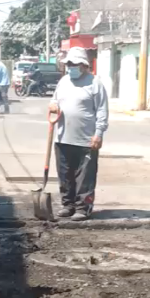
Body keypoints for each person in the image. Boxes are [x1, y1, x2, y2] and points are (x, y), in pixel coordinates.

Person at [48, 47, 109, 221]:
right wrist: (52, 105)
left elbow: (102, 110)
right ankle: (68, 205)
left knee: (84, 177)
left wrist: (98, 133)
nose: (70, 67)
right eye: (68, 64)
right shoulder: (64, 81)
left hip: (86, 139)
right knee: (65, 174)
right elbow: (55, 99)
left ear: (83, 65)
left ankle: (83, 207)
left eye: (74, 64)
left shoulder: (94, 83)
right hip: (63, 137)